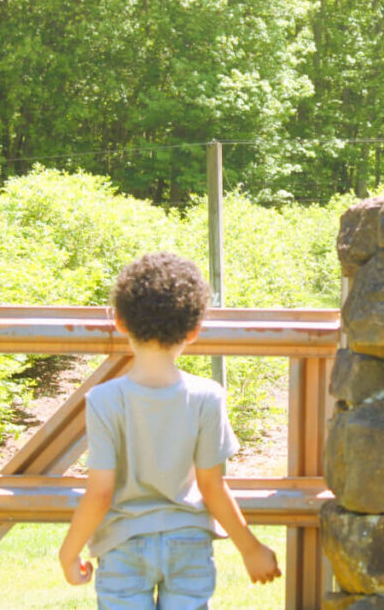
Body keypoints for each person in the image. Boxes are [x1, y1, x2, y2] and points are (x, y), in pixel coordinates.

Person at [58, 252, 281, 608]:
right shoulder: (207, 396)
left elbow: (99, 494)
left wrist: (68, 554)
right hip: (189, 544)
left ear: (120, 321)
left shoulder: (104, 399)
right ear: (193, 330)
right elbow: (212, 486)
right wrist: (249, 547)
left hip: (122, 545)